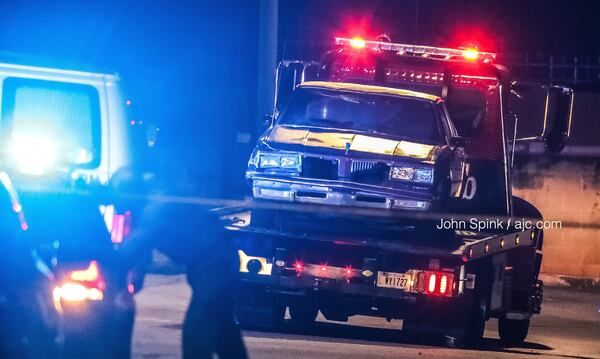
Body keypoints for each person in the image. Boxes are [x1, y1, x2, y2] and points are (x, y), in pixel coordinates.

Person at [112, 165, 248, 359]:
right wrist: (126, 284)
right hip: (214, 262)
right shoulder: (151, 200)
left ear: (132, 191)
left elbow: (140, 241)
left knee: (197, 329)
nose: (122, 206)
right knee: (224, 331)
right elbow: (142, 254)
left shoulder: (158, 204)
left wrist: (108, 260)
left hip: (216, 264)